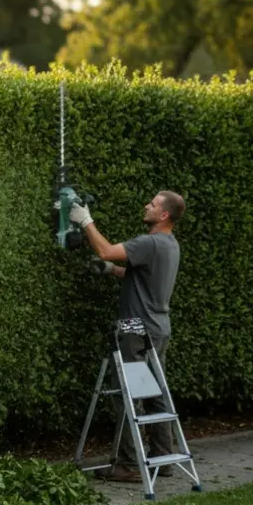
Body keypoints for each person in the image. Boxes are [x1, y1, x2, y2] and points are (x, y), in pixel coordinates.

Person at [70, 191, 185, 482]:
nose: (147, 204)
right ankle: (163, 458)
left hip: (136, 328)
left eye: (154, 204)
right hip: (158, 327)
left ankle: (130, 465)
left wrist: (86, 221)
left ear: (163, 215)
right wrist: (111, 271)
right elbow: (139, 276)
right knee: (155, 393)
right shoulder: (169, 244)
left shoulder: (149, 242)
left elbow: (106, 250)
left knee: (127, 393)